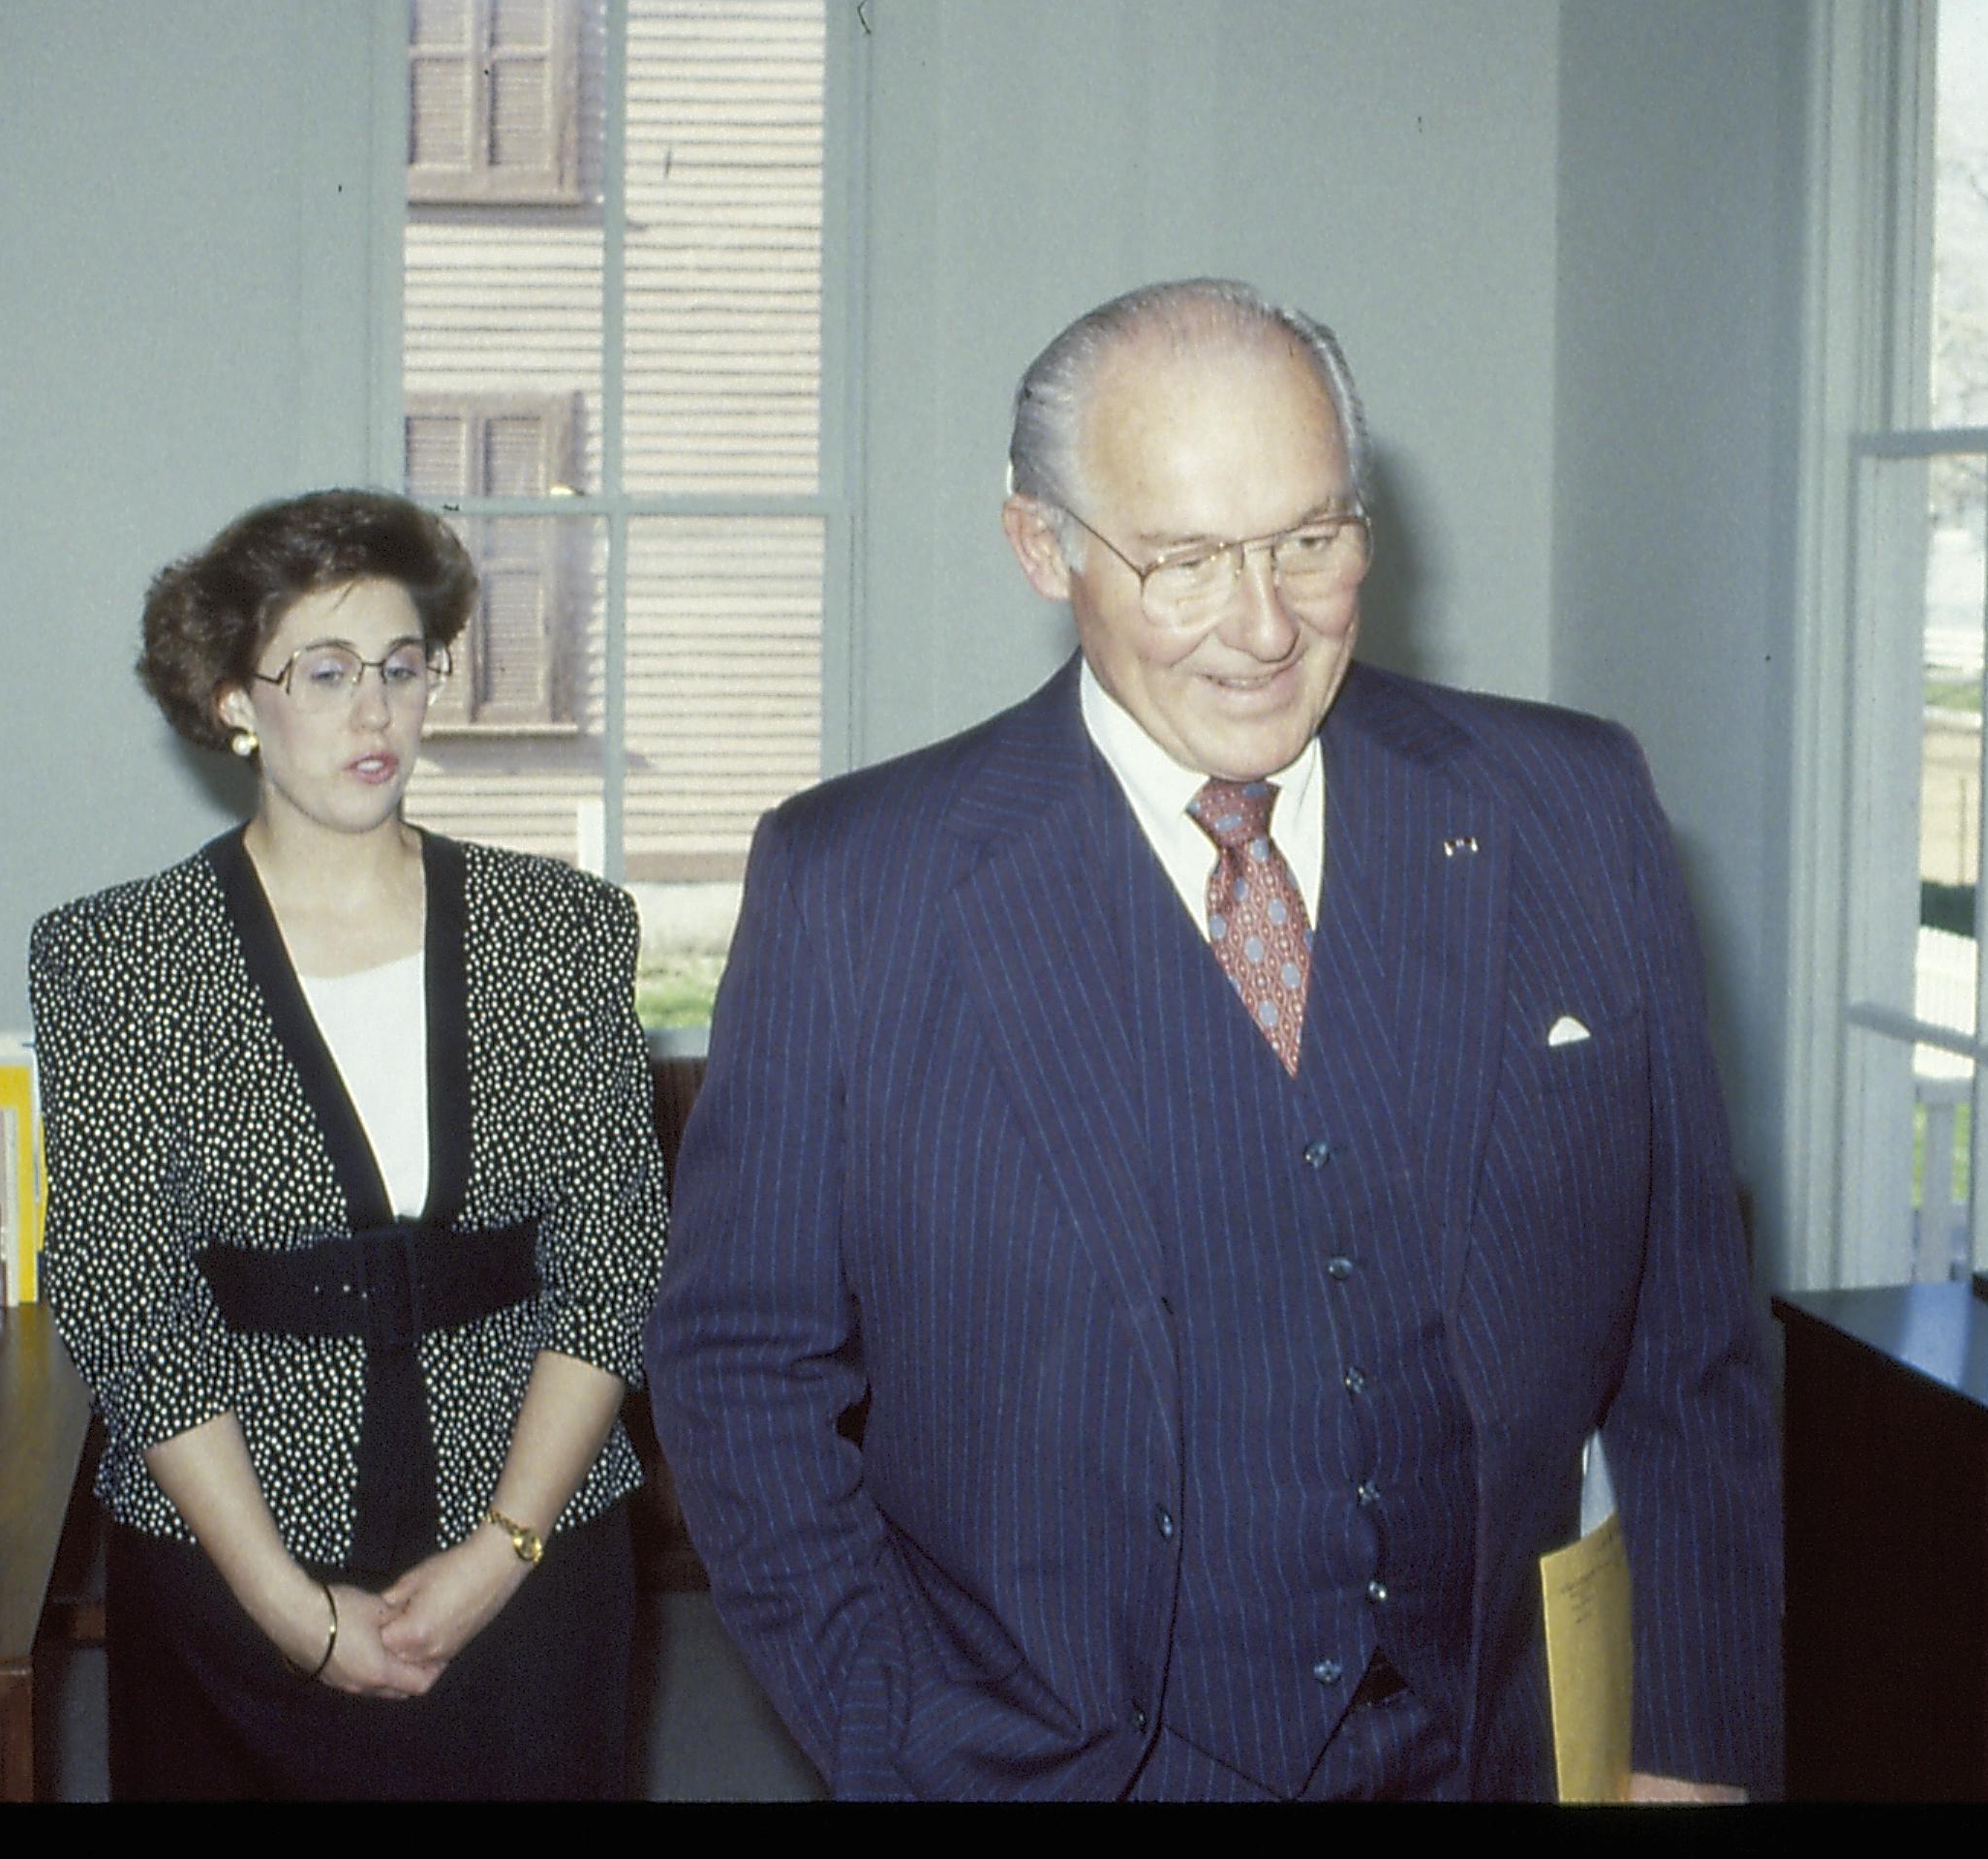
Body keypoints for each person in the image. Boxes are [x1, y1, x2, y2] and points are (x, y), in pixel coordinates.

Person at [648, 279, 1782, 1801]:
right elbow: (738, 1371)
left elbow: (1690, 1338)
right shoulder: (860, 885)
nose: (1264, 628)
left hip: (1497, 1757)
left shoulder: (1572, 811)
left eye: (1312, 539)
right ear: (1041, 544)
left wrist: (1692, 1749)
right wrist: (904, 1738)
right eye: (1183, 562)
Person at [30, 488, 665, 1799]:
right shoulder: (117, 960)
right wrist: (286, 1606)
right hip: (233, 1569)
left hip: (531, 1560)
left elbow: (615, 1260)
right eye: (324, 673)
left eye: (402, 665)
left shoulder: (563, 933)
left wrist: (505, 1549)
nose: (376, 712)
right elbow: (128, 1300)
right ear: (232, 700)